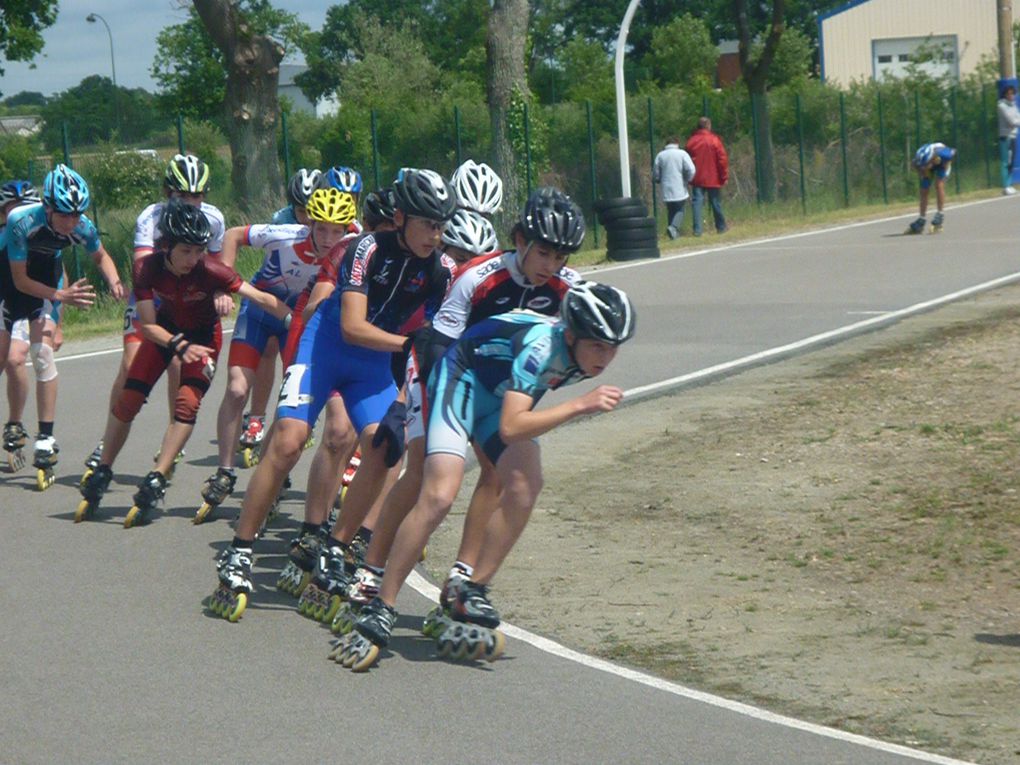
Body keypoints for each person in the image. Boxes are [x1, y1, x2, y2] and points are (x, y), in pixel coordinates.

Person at [332, 281, 636, 671]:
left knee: (526, 485)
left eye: (613, 347)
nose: (605, 357)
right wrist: (580, 405)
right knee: (440, 492)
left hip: (496, 394)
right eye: (598, 345)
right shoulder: (542, 348)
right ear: (573, 333)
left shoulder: (578, 351)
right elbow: (512, 427)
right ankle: (383, 604)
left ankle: (470, 588)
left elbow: (515, 417)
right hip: (459, 380)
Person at [331, 189, 584, 639]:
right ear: (520, 239)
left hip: (498, 387)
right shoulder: (478, 277)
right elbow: (435, 347)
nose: (551, 265)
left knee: (498, 474)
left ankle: (461, 581)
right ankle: (371, 571)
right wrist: (402, 404)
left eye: (561, 256)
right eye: (543, 252)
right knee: (425, 473)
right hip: (442, 368)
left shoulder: (567, 290)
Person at [209, 168, 457, 623]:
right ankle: (240, 550)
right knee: (287, 441)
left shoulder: (441, 268)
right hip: (327, 347)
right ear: (400, 218)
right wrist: (409, 345)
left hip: (374, 366)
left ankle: (335, 547)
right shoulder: (363, 248)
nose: (435, 236)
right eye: (427, 224)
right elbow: (352, 327)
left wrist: (409, 389)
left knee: (386, 451)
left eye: (442, 226)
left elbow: (438, 338)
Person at [75, 199, 293, 527]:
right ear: (166, 247)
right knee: (129, 399)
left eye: (199, 251)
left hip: (204, 338)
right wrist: (178, 344)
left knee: (187, 404)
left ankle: (158, 475)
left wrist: (297, 320)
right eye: (186, 252)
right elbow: (147, 325)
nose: (194, 259)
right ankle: (104, 467)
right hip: (165, 334)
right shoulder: (146, 269)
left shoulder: (211, 270)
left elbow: (260, 297)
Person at [195, 188, 359, 522]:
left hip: (295, 318)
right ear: (309, 223)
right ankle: (225, 470)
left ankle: (274, 466)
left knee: (293, 400)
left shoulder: (353, 245)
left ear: (347, 229)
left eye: (337, 230)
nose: (329, 238)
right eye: (322, 228)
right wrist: (223, 282)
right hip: (258, 308)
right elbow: (233, 235)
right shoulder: (285, 236)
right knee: (238, 388)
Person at [84, 153, 228, 479]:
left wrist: (220, 292)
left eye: (198, 195)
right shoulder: (152, 216)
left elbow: (217, 268)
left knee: (178, 363)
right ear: (168, 192)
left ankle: (171, 440)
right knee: (131, 364)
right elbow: (142, 268)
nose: (191, 202)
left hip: (187, 300)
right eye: (183, 194)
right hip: (152, 295)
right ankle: (109, 438)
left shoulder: (213, 218)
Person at [1, 165, 124, 490]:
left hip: (46, 280)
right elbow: (18, 281)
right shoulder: (20, 221)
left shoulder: (82, 226)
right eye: (65, 215)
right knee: (7, 360)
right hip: (10, 284)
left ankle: (44, 437)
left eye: (77, 214)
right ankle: (14, 423)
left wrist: (115, 281)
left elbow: (101, 257)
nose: (72, 221)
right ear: (48, 207)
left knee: (40, 355)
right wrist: (61, 296)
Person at [0, 180, 62, 473]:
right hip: (8, 302)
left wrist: (57, 321)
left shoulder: (44, 234)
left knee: (34, 356)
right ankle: (14, 424)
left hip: (38, 303)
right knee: (10, 360)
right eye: (12, 209)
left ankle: (34, 432)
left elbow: (57, 277)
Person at [685, 117, 729, 235]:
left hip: (697, 177)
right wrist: (724, 176)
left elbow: (687, 159)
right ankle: (721, 226)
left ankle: (697, 230)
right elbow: (722, 159)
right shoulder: (714, 140)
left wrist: (688, 176)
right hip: (713, 177)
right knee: (715, 202)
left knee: (697, 203)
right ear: (708, 126)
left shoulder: (692, 141)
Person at [907, 142, 956, 234]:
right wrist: (922, 171)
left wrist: (945, 167)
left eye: (926, 163)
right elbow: (914, 166)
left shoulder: (943, 153)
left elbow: (953, 151)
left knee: (939, 184)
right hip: (931, 165)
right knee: (924, 190)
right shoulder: (919, 157)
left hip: (941, 163)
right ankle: (921, 218)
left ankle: (940, 214)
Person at [652, 136, 696, 240]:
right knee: (680, 209)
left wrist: (658, 179)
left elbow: (655, 172)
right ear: (677, 143)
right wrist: (688, 179)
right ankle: (673, 227)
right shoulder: (682, 154)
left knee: (671, 210)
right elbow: (691, 169)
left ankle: (673, 234)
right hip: (679, 185)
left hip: (666, 186)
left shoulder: (660, 155)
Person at [997, 81, 1020, 196]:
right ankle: (1005, 186)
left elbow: (1017, 118)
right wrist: (1017, 121)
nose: (1011, 96)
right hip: (1005, 137)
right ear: (1005, 94)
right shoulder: (1001, 105)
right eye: (1009, 94)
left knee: (1011, 162)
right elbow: (1011, 121)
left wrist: (1017, 121)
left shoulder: (1014, 105)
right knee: (1005, 162)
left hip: (1013, 136)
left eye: (1012, 94)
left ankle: (1010, 184)